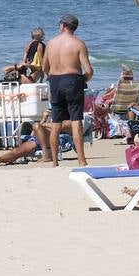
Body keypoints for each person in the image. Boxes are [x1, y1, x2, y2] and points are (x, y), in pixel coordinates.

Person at [41, 14, 94, 168]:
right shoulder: (78, 44)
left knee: (56, 123)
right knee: (76, 122)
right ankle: (81, 161)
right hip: (73, 80)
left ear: (62, 25)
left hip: (55, 81)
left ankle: (55, 163)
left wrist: (53, 76)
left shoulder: (51, 43)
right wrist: (83, 79)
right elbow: (89, 70)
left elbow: (45, 68)